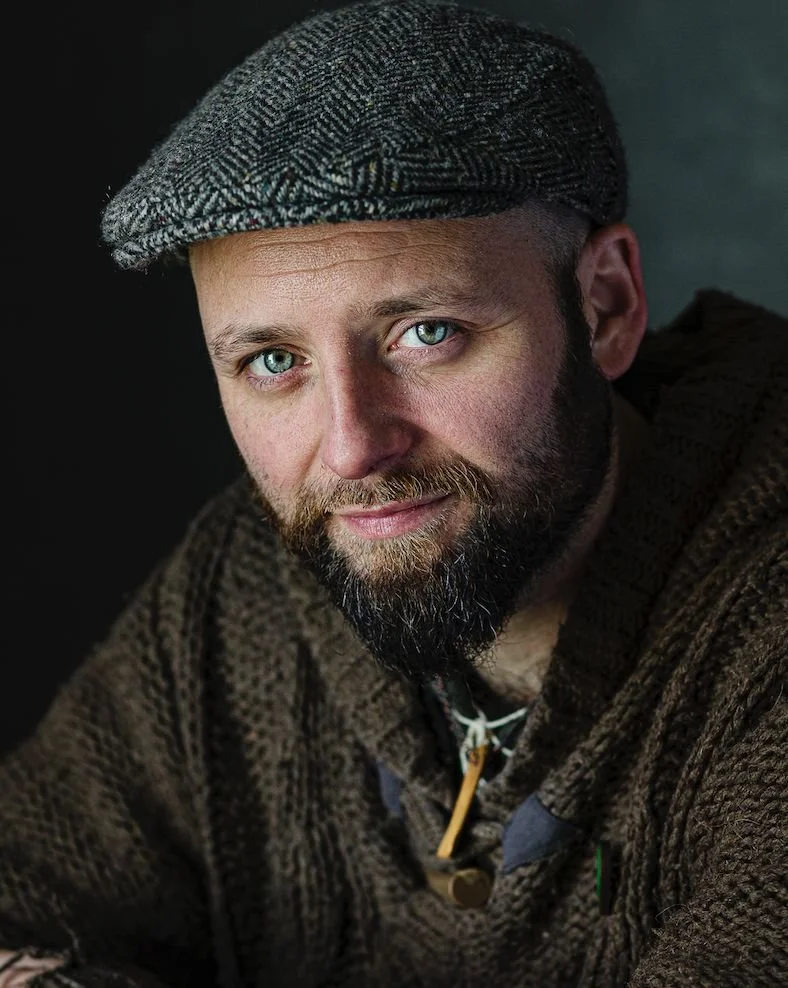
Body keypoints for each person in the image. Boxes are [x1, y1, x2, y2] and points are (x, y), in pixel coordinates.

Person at [1, 0, 786, 985]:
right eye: (273, 359)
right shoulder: (246, 592)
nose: (351, 447)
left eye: (426, 333)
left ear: (604, 307)